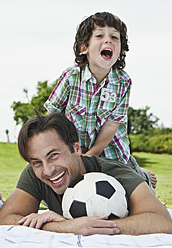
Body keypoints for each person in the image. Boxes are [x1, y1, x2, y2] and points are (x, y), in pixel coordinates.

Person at [0, 113, 172, 236]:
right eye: (37, 162)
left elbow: (162, 222)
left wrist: (90, 228)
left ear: (76, 148)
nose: (48, 170)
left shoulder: (116, 173)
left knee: (142, 182)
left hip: (133, 174)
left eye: (54, 155)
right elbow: (4, 221)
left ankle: (143, 174)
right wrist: (65, 226)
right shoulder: (36, 174)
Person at [44, 12, 157, 189]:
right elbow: (52, 116)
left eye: (114, 37)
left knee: (137, 196)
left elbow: (111, 126)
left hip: (113, 154)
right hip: (74, 152)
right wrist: (66, 154)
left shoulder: (122, 82)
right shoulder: (71, 76)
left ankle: (142, 175)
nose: (108, 40)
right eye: (99, 36)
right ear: (84, 47)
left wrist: (89, 157)